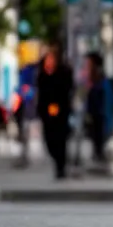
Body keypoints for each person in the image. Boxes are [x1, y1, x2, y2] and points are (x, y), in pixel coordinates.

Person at [36, 44, 74, 180]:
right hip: (47, 114)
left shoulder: (63, 73)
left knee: (61, 140)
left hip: (61, 113)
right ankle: (58, 162)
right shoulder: (42, 75)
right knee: (50, 140)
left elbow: (68, 90)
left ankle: (61, 167)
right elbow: (40, 95)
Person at [83, 52, 113, 175]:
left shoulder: (101, 83)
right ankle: (100, 162)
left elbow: (106, 104)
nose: (86, 67)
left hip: (100, 118)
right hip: (96, 117)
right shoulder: (94, 82)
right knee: (97, 144)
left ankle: (100, 164)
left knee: (98, 143)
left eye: (88, 64)